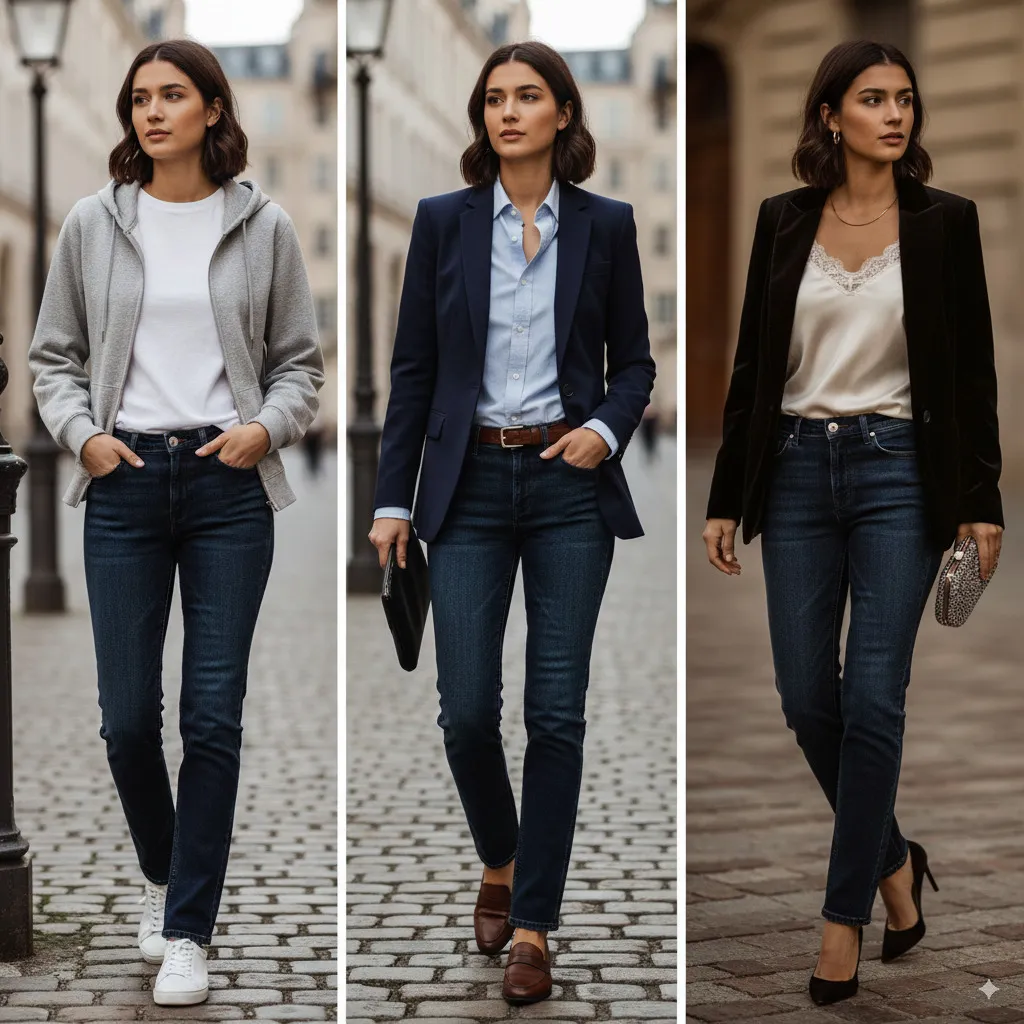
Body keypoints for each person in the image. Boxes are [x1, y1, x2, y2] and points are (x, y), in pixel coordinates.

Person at [703, 40, 1002, 1007]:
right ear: (830, 115)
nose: (894, 114)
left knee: (874, 699)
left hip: (898, 479)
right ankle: (896, 865)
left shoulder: (946, 224)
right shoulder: (782, 220)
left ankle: (844, 920)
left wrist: (980, 501)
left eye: (904, 99)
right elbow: (754, 365)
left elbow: (972, 376)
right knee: (805, 697)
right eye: (872, 98)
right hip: (793, 472)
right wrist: (724, 494)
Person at [29, 40, 324, 1007]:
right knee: (123, 724)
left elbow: (300, 367)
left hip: (225, 485)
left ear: (211, 110)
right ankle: (165, 875)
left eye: (173, 96)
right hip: (122, 484)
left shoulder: (265, 225)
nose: (153, 112)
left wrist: (263, 431)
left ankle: (189, 927)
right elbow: (53, 358)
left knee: (211, 719)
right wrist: (83, 437)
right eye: (140, 98)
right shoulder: (91, 223)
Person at [368, 41, 655, 1007]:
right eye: (494, 98)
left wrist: (603, 432)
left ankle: (534, 922)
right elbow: (412, 370)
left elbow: (636, 367)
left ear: (565, 114)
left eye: (529, 96)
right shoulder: (444, 223)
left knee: (557, 714)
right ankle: (501, 854)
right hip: (469, 490)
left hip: (568, 486)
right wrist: (391, 499)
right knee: (465, 713)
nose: (509, 111)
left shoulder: (606, 227)